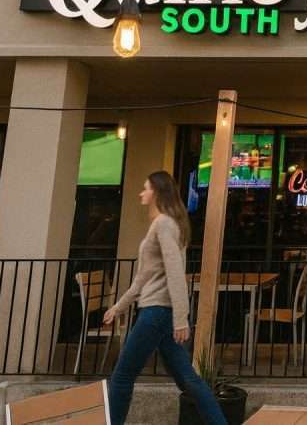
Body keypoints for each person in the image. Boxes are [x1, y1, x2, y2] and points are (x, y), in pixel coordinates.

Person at [103, 171, 227, 425]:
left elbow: (174, 272)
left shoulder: (164, 224)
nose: (141, 193)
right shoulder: (164, 224)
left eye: (146, 188)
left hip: (157, 312)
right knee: (188, 380)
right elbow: (145, 275)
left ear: (157, 192)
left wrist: (181, 318)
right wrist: (119, 306)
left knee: (123, 376)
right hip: (160, 312)